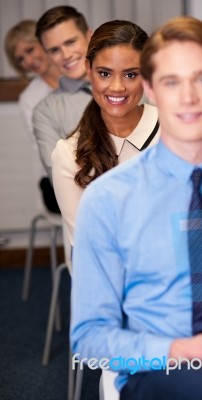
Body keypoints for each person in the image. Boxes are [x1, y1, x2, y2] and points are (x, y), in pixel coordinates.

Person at [71, 16, 202, 400]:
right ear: (152, 88)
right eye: (171, 82)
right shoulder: (107, 200)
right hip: (163, 368)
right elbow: (89, 337)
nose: (188, 97)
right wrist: (182, 351)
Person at [51, 20, 160, 246]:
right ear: (88, 71)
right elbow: (90, 245)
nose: (117, 87)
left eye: (130, 75)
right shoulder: (69, 153)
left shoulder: (176, 129)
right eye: (105, 73)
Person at [5, 20, 61, 213]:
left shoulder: (82, 76)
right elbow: (46, 149)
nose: (28, 61)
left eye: (29, 50)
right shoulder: (29, 98)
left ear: (44, 41)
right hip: (54, 181)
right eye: (20, 59)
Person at [32, 6, 93, 181]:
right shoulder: (46, 112)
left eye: (70, 42)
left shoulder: (135, 84)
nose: (65, 55)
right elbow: (60, 179)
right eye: (54, 50)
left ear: (90, 36)